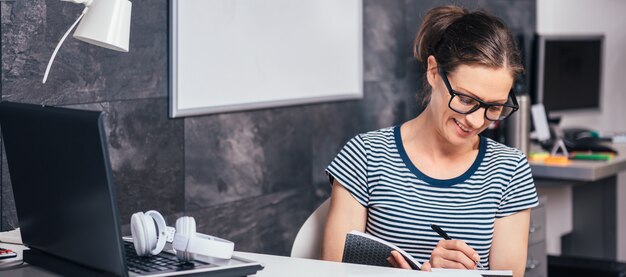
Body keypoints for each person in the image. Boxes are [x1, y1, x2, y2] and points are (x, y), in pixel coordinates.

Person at [321, 5, 538, 277]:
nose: (476, 120)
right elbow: (329, 271)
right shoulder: (365, 155)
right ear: (434, 72)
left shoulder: (510, 170)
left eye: (494, 107)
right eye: (466, 99)